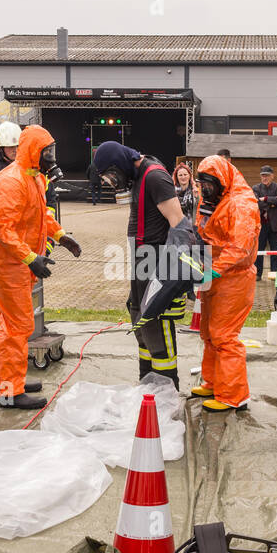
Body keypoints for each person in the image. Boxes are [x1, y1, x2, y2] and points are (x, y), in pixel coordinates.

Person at [0, 125, 82, 408]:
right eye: (46, 151)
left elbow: (41, 217)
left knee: (9, 326)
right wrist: (30, 258)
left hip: (19, 264)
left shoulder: (35, 179)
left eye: (52, 151)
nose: (51, 157)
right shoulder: (11, 182)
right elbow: (4, 231)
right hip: (9, 265)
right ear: (32, 151)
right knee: (18, 326)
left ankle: (9, 381)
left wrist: (61, 236)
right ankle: (10, 393)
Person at [92, 140, 189, 388]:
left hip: (156, 263)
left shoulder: (155, 177)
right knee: (140, 321)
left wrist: (172, 277)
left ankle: (167, 388)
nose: (113, 183)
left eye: (111, 177)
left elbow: (179, 223)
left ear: (119, 165)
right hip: (142, 263)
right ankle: (148, 385)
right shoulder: (138, 175)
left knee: (157, 324)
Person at [190, 155, 260, 411]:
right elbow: (206, 231)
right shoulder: (214, 200)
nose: (205, 190)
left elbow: (240, 247)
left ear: (222, 181)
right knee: (208, 333)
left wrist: (214, 270)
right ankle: (213, 381)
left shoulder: (241, 205)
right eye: (202, 185)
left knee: (224, 336)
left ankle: (234, 396)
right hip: (216, 272)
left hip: (234, 277)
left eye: (209, 185)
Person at [252, 164, 277, 280]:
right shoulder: (256, 188)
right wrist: (272, 202)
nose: (264, 178)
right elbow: (255, 202)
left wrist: (265, 199)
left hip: (275, 224)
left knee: (274, 250)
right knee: (259, 249)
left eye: (267, 176)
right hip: (261, 224)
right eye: (262, 176)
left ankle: (274, 273)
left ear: (272, 176)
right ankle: (258, 274)